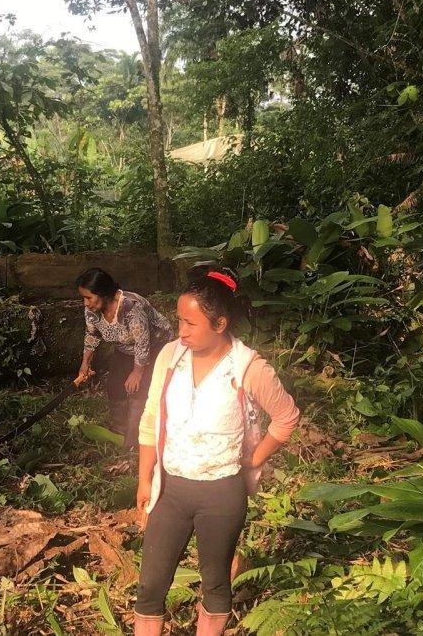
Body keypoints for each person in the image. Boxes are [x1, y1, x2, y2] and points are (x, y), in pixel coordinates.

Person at [132, 268, 300, 635]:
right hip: (171, 490)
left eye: (191, 324)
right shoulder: (169, 357)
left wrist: (255, 458)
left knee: (215, 584)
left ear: (220, 323)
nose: (182, 331)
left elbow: (286, 417)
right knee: (150, 586)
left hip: (222, 494)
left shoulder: (248, 368)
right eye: (180, 320)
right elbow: (149, 420)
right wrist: (144, 479)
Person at [76, 268, 173, 447]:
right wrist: (85, 364)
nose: (85, 303)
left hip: (156, 345)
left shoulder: (131, 307)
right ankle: (120, 429)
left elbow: (143, 342)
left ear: (104, 293)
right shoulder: (92, 310)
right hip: (125, 347)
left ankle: (136, 437)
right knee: (114, 384)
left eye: (88, 297)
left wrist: (137, 372)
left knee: (140, 389)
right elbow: (91, 335)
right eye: (83, 297)